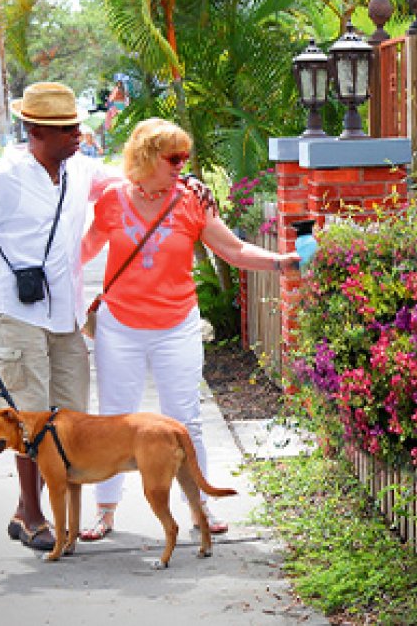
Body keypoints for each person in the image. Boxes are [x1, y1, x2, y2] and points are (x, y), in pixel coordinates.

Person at [79, 118, 300, 541]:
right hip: (119, 326)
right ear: (146, 157)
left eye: (185, 157)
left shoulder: (191, 201)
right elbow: (82, 249)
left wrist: (280, 262)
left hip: (175, 325)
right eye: (173, 158)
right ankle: (105, 511)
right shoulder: (111, 200)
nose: (183, 165)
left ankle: (199, 504)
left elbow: (232, 249)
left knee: (185, 419)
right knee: (113, 419)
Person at [0, 82, 119, 552]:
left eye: (77, 125)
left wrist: (180, 179)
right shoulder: (1, 179)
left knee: (69, 418)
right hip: (15, 313)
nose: (78, 134)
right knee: (29, 418)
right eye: (66, 129)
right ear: (36, 131)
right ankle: (35, 515)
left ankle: (26, 510)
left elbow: (130, 177)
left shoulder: (79, 170)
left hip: (65, 312)